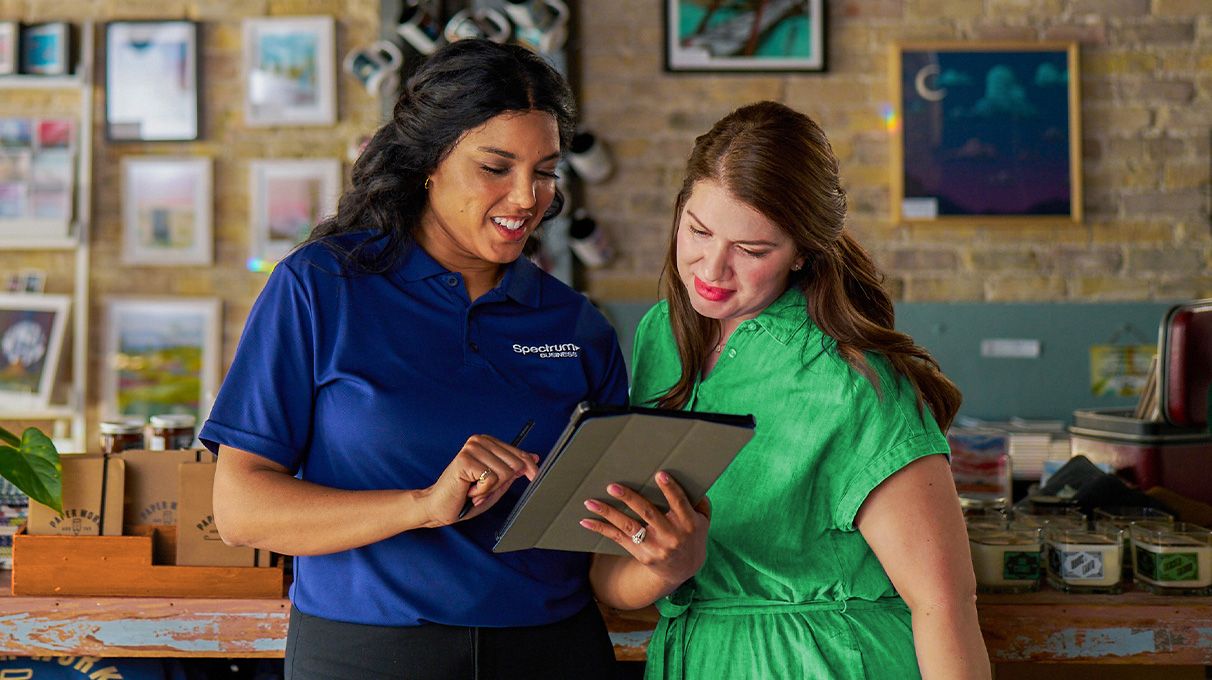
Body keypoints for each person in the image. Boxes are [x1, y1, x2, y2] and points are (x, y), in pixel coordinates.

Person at [199, 39, 629, 679]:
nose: (525, 198)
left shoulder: (576, 323)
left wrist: (666, 546)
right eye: (495, 167)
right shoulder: (320, 288)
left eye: (544, 171)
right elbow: (240, 511)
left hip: (554, 653)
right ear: (429, 163)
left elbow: (603, 545)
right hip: (366, 655)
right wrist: (422, 506)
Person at [580, 101, 991, 679]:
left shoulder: (856, 377)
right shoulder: (660, 336)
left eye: (752, 251)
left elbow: (944, 605)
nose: (711, 269)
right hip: (695, 659)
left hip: (823, 662)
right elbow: (614, 577)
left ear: (802, 252)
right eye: (698, 230)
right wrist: (670, 564)